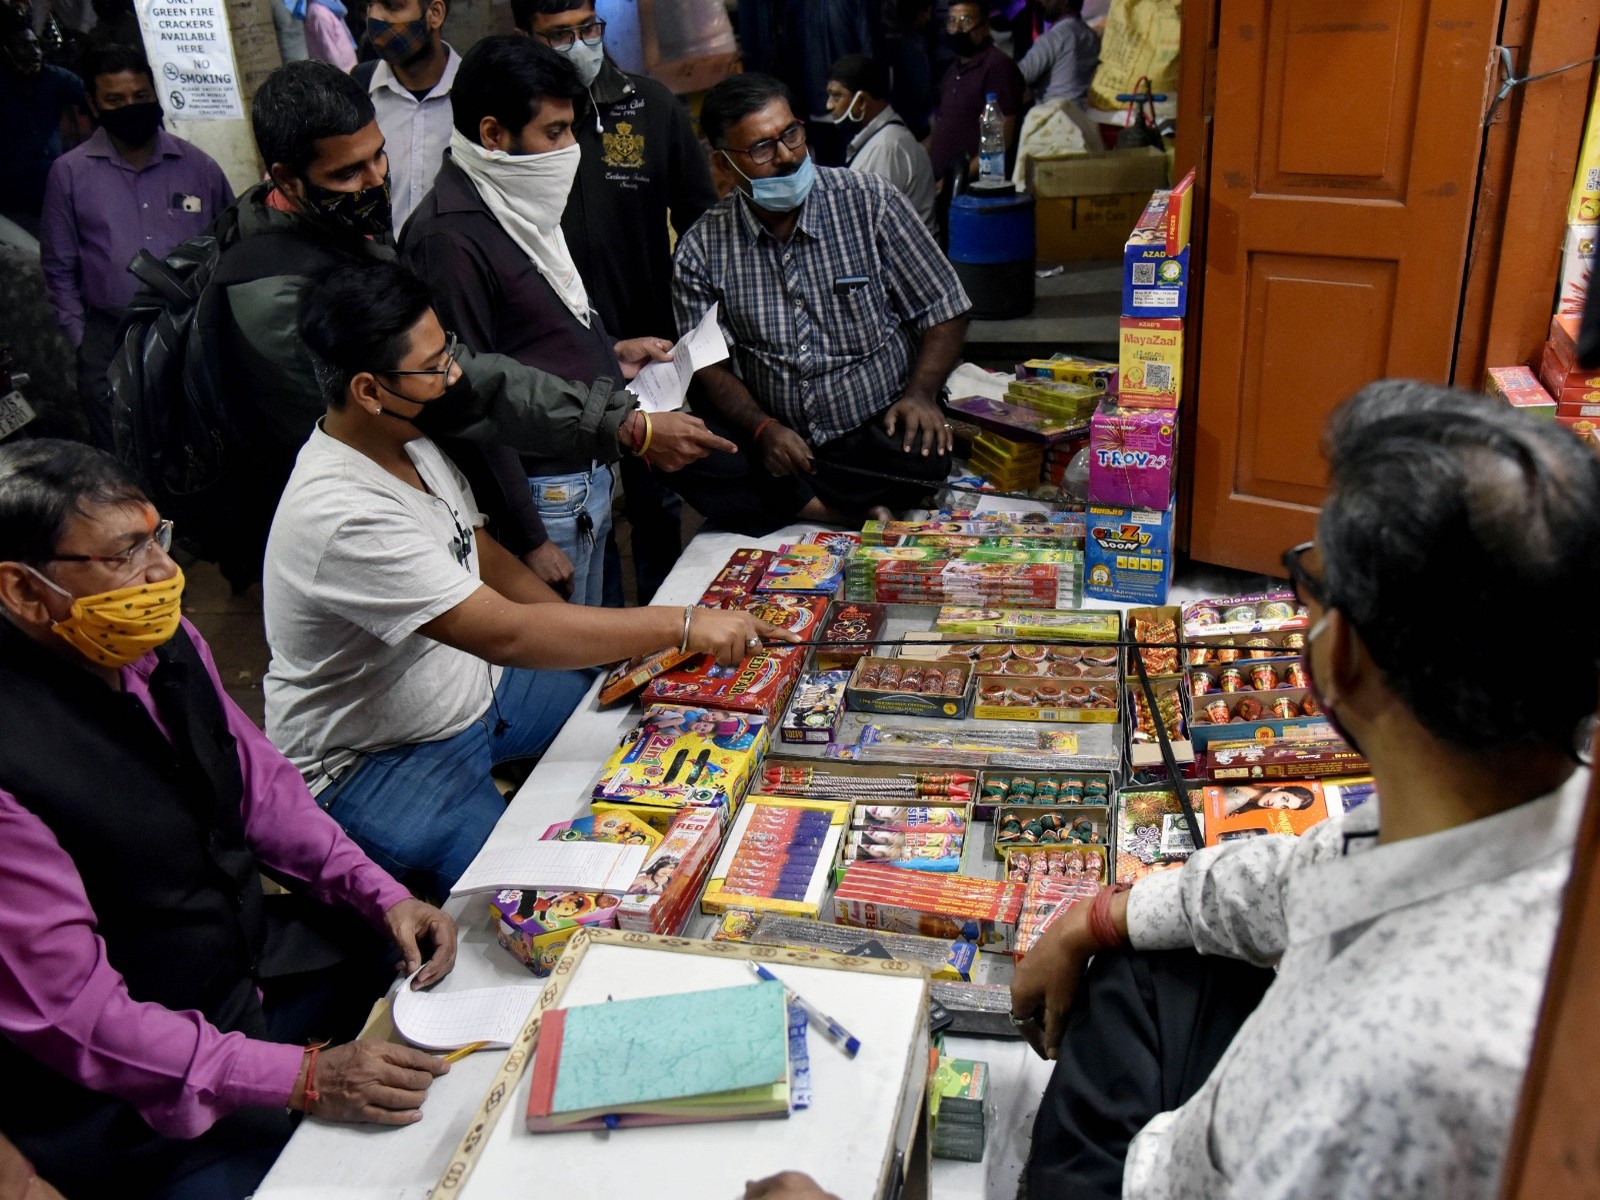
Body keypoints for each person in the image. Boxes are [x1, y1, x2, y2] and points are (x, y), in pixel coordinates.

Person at [1011, 380, 1600, 1199]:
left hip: (1193, 1167)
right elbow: (1305, 876)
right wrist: (1097, 914)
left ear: (1343, 655)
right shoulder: (1512, 805)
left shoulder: (1391, 1074)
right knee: (1135, 963)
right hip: (1244, 1110)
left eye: (1309, 582)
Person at [0, 439, 463, 1200]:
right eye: (123, 556)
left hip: (247, 975)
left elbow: (262, 793)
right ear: (24, 589)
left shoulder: (160, 642)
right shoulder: (13, 758)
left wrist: (381, 894)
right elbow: (78, 1016)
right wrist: (303, 1076)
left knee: (443, 993)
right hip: (130, 1089)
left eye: (158, 537)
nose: (161, 574)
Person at [264, 260, 791, 896]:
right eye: (435, 368)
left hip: (476, 690)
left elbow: (475, 548)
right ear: (370, 390)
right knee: (531, 898)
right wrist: (679, 625)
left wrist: (594, 642)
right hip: (375, 756)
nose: (455, 376)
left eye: (450, 351)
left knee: (646, 732)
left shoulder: (407, 436)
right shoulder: (343, 512)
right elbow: (507, 635)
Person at [195, 58, 729, 588]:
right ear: (286, 178)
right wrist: (617, 429)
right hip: (372, 538)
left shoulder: (343, 231)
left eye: (379, 156)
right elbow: (452, 384)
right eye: (348, 173)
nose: (376, 181)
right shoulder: (278, 295)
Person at [403, 37, 669, 605]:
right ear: (494, 134)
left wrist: (610, 351)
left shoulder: (516, 200)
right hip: (542, 494)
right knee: (568, 664)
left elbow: (537, 324)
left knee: (600, 645)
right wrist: (528, 538)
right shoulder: (450, 238)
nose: (570, 148)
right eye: (554, 132)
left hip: (582, 475)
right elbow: (464, 393)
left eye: (572, 128)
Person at [671, 73, 971, 537]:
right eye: (763, 149)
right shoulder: (700, 249)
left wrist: (921, 394)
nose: (789, 156)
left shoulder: (870, 202)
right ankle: (842, 514)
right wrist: (762, 428)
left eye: (791, 134)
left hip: (875, 432)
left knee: (922, 448)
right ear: (725, 165)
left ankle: (809, 504)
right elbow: (708, 365)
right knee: (687, 454)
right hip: (782, 443)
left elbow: (944, 306)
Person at [514, 0, 719, 602]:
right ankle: (598, 637)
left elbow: (699, 222)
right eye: (559, 35)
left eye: (589, 29)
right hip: (559, 353)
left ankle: (660, 625)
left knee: (656, 499)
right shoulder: (522, 120)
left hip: (646, 347)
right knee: (580, 499)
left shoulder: (648, 106)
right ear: (525, 35)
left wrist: (691, 328)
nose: (580, 45)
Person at [39, 43, 233, 450]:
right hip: (107, 336)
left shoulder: (200, 168)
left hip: (187, 332)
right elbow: (59, 268)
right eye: (115, 100)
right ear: (93, 104)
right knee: (120, 451)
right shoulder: (69, 174)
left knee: (196, 446)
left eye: (140, 97)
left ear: (155, 94)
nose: (130, 106)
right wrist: (80, 338)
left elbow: (231, 249)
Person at [352, 0, 458, 233]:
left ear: (435, 13)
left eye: (392, 6)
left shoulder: (473, 92)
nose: (376, 17)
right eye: (370, 5)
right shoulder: (360, 88)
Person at [825, 53, 937, 236]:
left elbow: (869, 225)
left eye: (837, 96)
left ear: (861, 101)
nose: (829, 105)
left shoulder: (887, 147)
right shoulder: (882, 139)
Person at [925, 0, 1024, 185]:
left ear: (985, 26)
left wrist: (959, 178)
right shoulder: (953, 71)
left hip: (974, 186)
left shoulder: (997, 66)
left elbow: (1002, 138)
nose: (957, 28)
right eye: (952, 21)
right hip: (941, 184)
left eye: (966, 20)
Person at [0, 18, 83, 230]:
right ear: (6, 51)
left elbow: (93, 99)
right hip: (9, 185)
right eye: (24, 46)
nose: (34, 52)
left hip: (50, 179)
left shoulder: (55, 77)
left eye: (35, 45)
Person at [1017, 0, 1100, 105]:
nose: (1042, 1)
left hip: (1053, 115)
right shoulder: (1092, 37)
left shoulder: (1054, 38)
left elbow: (1014, 78)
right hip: (1085, 115)